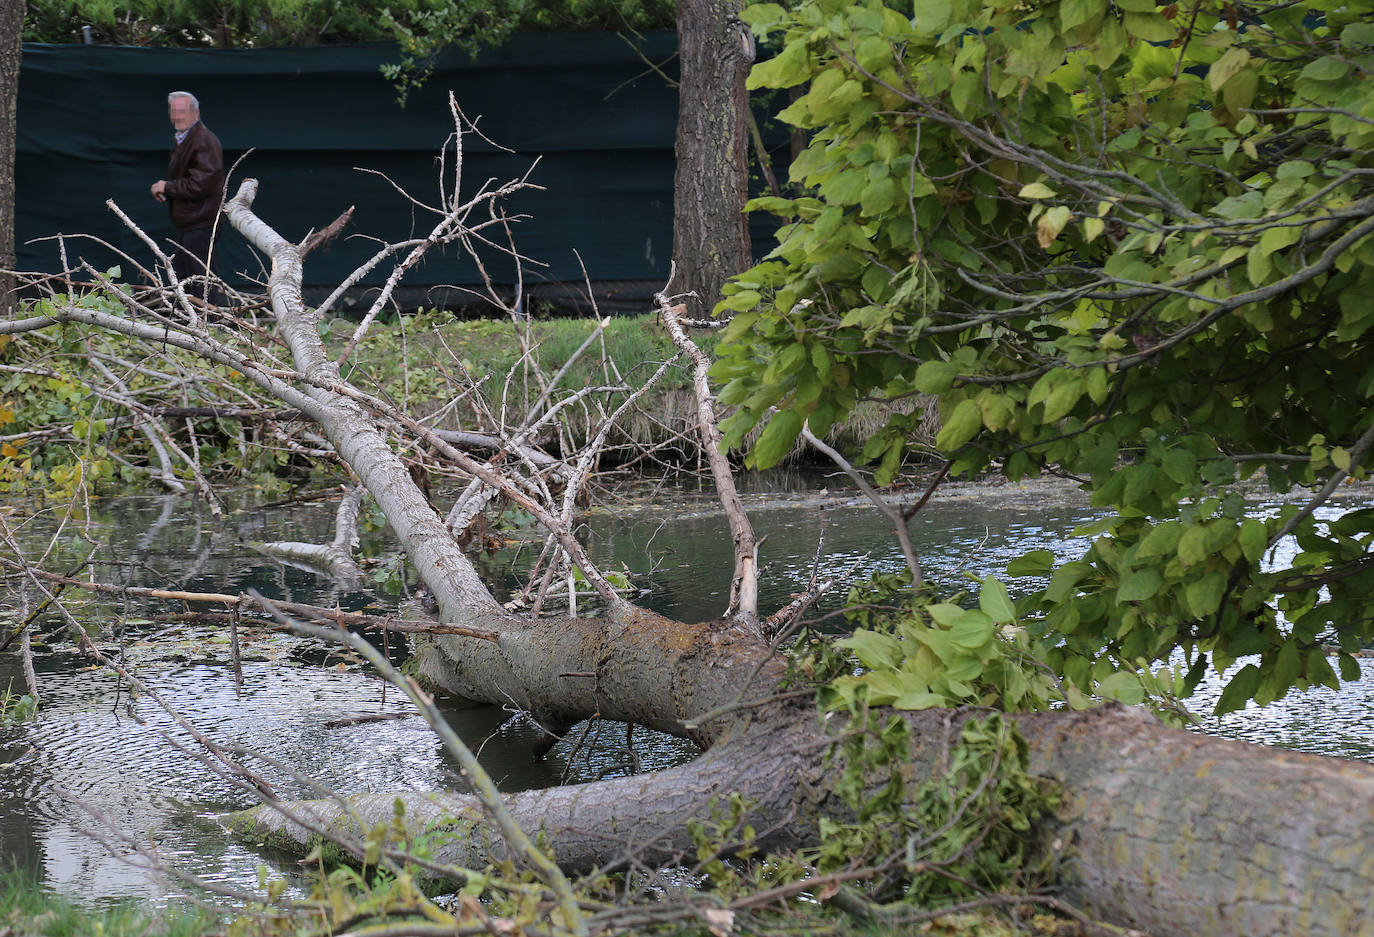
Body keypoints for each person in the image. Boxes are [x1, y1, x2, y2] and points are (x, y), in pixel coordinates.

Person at [150, 91, 224, 303]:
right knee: (185, 276)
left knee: (200, 279)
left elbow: (202, 183)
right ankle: (188, 326)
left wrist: (168, 187)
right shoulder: (186, 139)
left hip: (201, 222)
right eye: (174, 111)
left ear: (196, 112)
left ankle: (206, 325)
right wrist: (168, 190)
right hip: (191, 223)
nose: (178, 116)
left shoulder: (203, 140)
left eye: (182, 111)